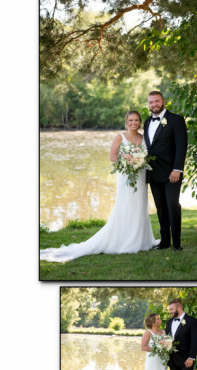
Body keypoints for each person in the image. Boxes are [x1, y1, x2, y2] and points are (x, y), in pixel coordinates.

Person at [40, 110, 159, 262]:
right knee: (126, 205)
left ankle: (141, 240)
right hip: (126, 177)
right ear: (126, 122)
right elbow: (112, 156)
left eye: (136, 120)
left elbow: (146, 156)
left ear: (140, 122)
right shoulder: (120, 137)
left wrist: (139, 160)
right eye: (131, 120)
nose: (133, 123)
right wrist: (126, 160)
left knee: (140, 205)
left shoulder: (143, 138)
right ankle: (125, 240)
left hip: (141, 176)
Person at [144, 90, 188, 251]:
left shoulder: (176, 120)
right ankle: (164, 241)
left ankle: (176, 243)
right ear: (148, 105)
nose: (154, 104)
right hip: (153, 172)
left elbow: (181, 146)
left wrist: (177, 169)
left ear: (163, 102)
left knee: (172, 205)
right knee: (160, 207)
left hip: (172, 172)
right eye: (151, 102)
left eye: (156, 101)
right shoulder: (147, 122)